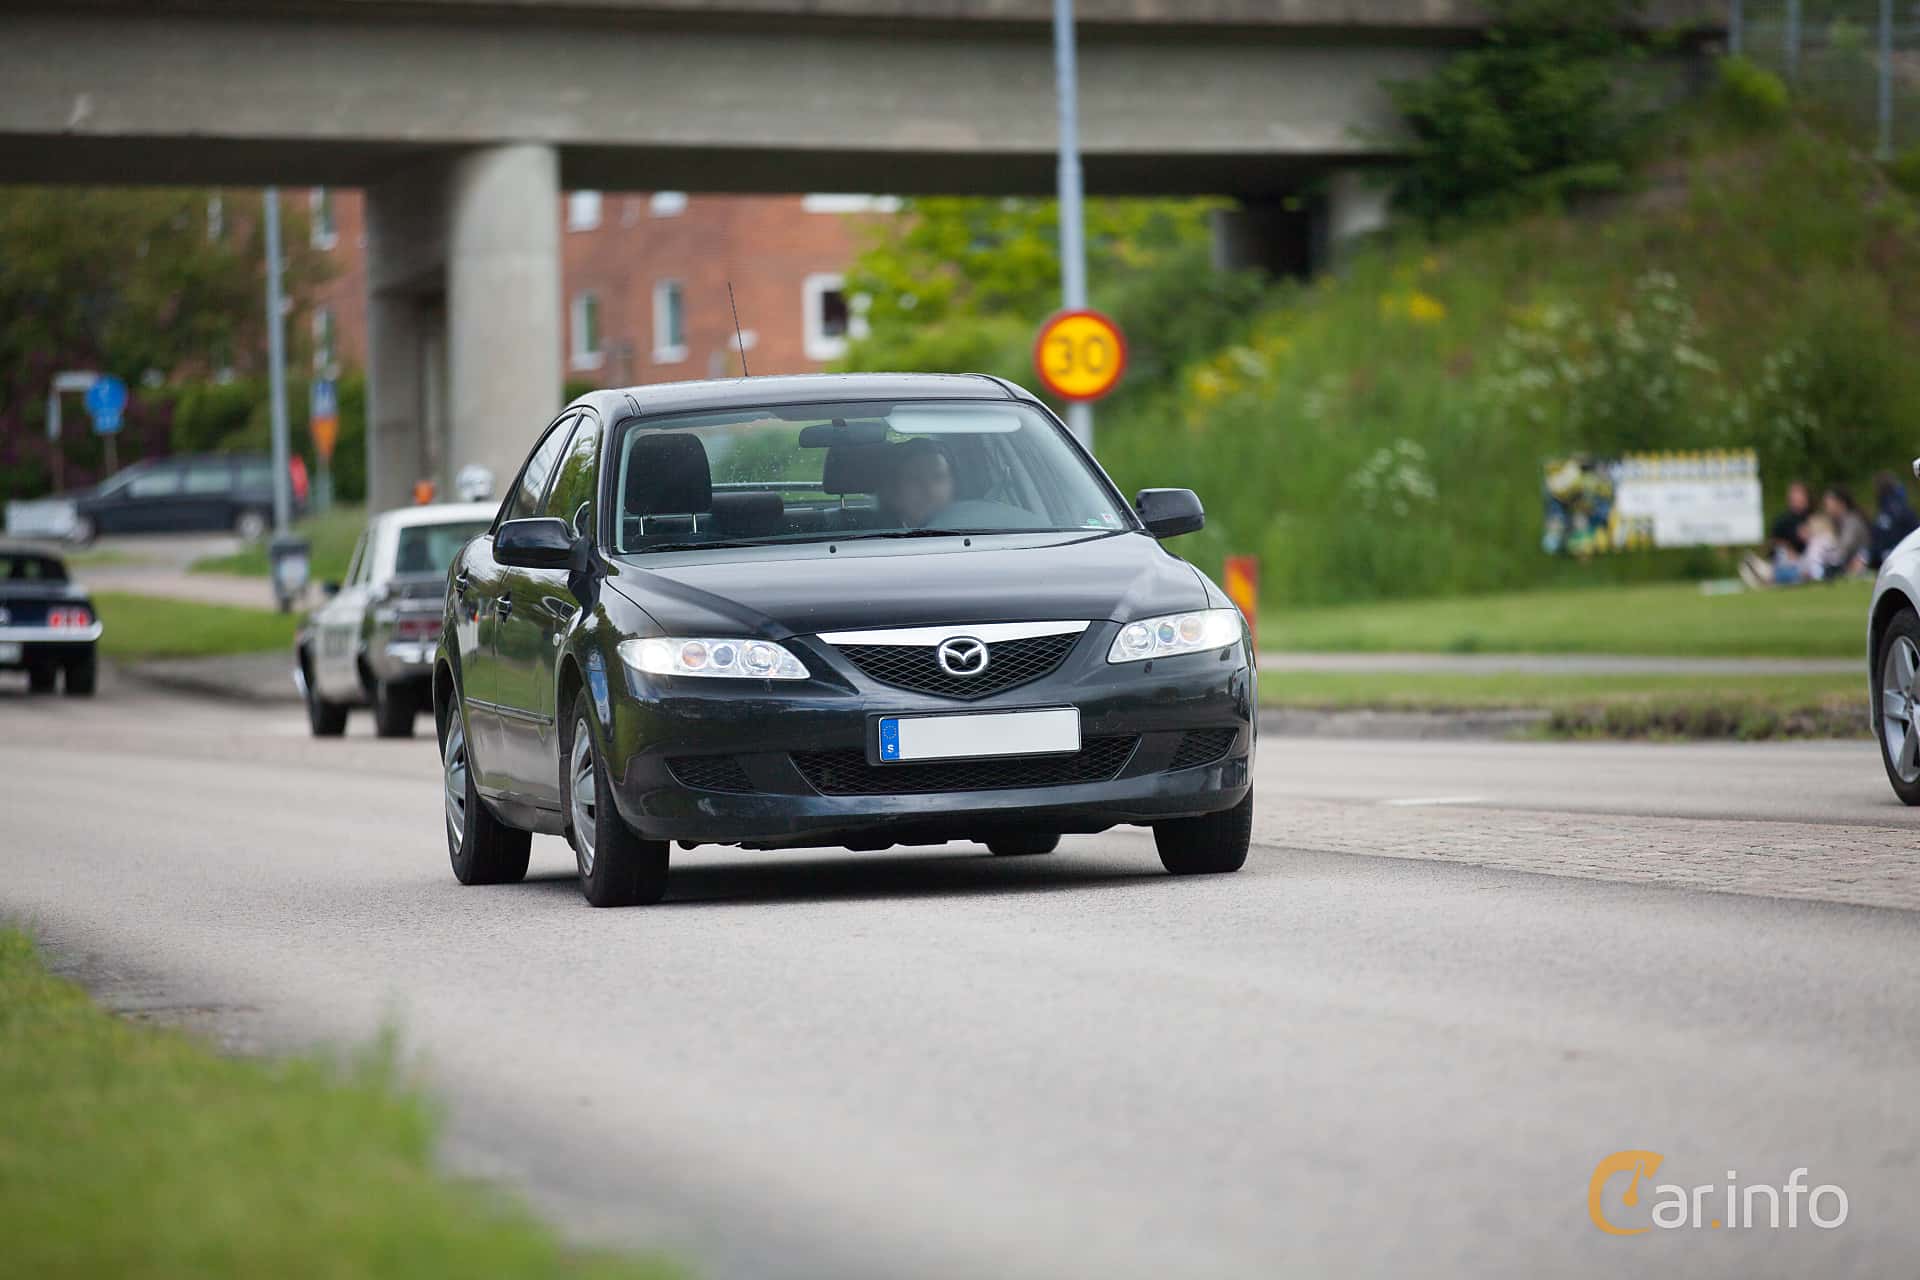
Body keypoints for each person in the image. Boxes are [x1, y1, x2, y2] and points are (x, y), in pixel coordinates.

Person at [877, 438, 955, 529]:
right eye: (916, 479)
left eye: (938, 477)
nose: (930, 490)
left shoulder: (973, 533)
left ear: (953, 485)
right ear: (894, 491)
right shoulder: (874, 539)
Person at [1862, 470, 1919, 572]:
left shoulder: (1887, 514)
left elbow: (1880, 541)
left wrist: (1869, 558)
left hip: (1895, 559)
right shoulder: (1905, 509)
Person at [1820, 485, 1869, 577]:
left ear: (1841, 503)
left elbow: (1844, 548)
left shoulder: (1852, 521)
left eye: (1829, 504)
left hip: (1862, 561)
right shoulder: (1838, 522)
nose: (1827, 508)